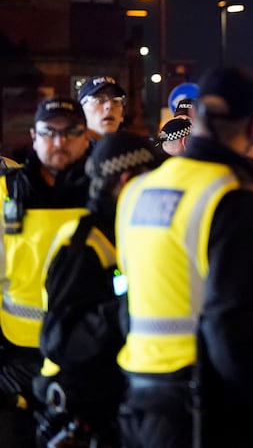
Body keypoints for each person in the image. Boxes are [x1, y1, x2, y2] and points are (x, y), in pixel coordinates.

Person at [116, 66, 253, 447]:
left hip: (144, 397)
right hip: (213, 406)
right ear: (249, 125)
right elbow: (236, 324)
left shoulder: (140, 190)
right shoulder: (234, 199)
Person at [34, 132, 159, 447]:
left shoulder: (124, 231)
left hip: (116, 402)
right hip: (80, 406)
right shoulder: (83, 244)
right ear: (126, 181)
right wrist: (136, 303)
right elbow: (60, 340)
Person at [0, 97, 91, 447]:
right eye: (49, 132)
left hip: (84, 355)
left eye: (70, 132)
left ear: (86, 138)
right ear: (33, 137)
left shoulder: (103, 193)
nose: (59, 142)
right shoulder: (7, 194)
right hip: (19, 358)